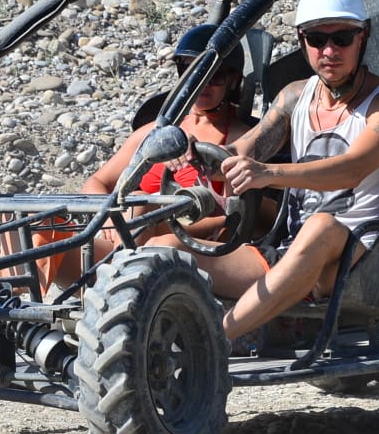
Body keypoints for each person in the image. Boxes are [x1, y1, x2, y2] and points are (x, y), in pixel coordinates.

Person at [150, 0, 379, 342]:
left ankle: (214, 342)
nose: (329, 50)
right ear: (303, 40)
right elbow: (246, 151)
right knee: (159, 251)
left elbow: (352, 168)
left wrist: (268, 175)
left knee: (320, 225)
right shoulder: (294, 96)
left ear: (362, 37)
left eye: (342, 38)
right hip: (286, 252)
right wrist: (203, 156)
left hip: (355, 256)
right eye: (318, 39)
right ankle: (148, 350)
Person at [24, 23, 256, 290]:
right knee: (35, 219)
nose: (203, 84)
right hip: (119, 245)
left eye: (215, 76)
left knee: (141, 207)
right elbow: (97, 182)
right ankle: (9, 307)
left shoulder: (243, 140)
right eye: (192, 72)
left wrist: (157, 220)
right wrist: (112, 216)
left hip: (176, 252)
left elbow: (234, 220)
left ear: (234, 80)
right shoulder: (153, 132)